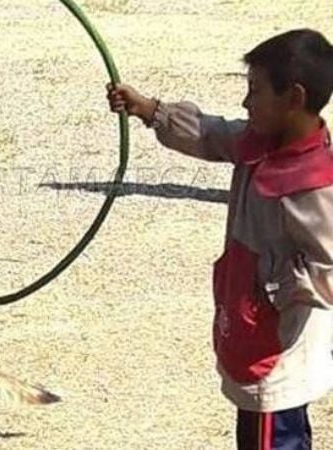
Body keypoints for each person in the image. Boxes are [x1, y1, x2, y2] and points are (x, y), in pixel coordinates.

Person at [108, 29, 333, 450]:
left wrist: (271, 292)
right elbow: (213, 134)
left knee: (273, 437)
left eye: (255, 90)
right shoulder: (264, 141)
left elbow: (328, 269)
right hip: (258, 335)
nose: (246, 102)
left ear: (295, 98)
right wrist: (151, 111)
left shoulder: (313, 185)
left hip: (277, 345)